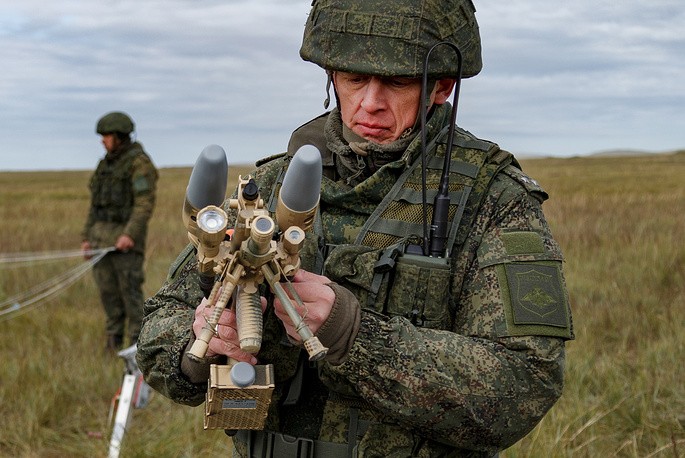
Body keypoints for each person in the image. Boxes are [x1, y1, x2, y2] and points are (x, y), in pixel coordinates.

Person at [137, 0, 574, 456]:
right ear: (331, 76)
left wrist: (353, 334)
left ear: (441, 86)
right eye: (353, 79)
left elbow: (524, 385)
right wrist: (199, 343)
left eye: (398, 82)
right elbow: (157, 328)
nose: (370, 104)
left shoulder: (493, 199)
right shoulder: (269, 189)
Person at [82, 111, 158, 352]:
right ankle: (112, 345)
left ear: (120, 136)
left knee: (130, 295)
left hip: (125, 245)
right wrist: (86, 237)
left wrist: (129, 235)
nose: (103, 140)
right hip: (100, 240)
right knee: (109, 296)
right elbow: (95, 205)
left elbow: (144, 204)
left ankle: (137, 349)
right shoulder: (104, 165)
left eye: (107, 135)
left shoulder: (139, 164)